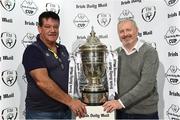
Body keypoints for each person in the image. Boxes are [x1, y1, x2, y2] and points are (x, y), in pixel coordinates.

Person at [22, 11, 86, 119]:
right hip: (42, 113)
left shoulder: (63, 49)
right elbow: (42, 81)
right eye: (47, 27)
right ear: (39, 28)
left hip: (65, 110)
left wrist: (84, 96)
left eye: (56, 27)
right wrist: (70, 101)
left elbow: (71, 78)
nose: (52, 30)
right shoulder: (33, 50)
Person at [103, 18, 159, 119]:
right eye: (121, 31)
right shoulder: (115, 54)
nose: (125, 34)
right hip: (121, 112)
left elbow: (147, 84)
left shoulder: (149, 52)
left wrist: (120, 102)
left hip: (144, 114)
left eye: (128, 30)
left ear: (137, 31)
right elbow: (109, 81)